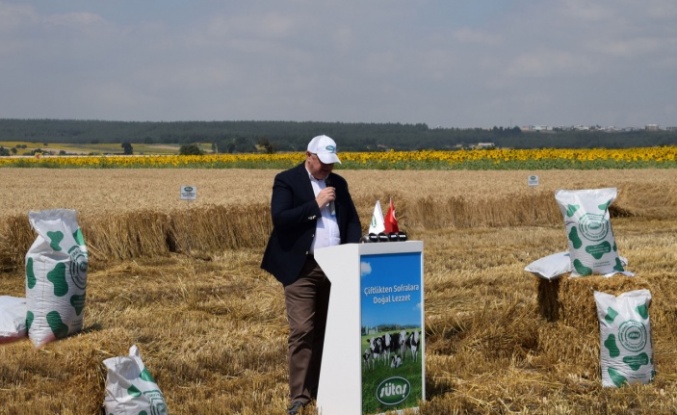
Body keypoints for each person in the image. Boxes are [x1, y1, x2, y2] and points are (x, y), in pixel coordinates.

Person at [261, 134, 362, 415]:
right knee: (303, 330)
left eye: (332, 163)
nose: (328, 168)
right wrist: (314, 205)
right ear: (309, 155)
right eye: (324, 163)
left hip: (336, 266)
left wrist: (352, 251)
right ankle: (300, 395)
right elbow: (280, 219)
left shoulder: (338, 183)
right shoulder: (287, 180)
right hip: (302, 268)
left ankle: (322, 385)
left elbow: (352, 221)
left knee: (328, 330)